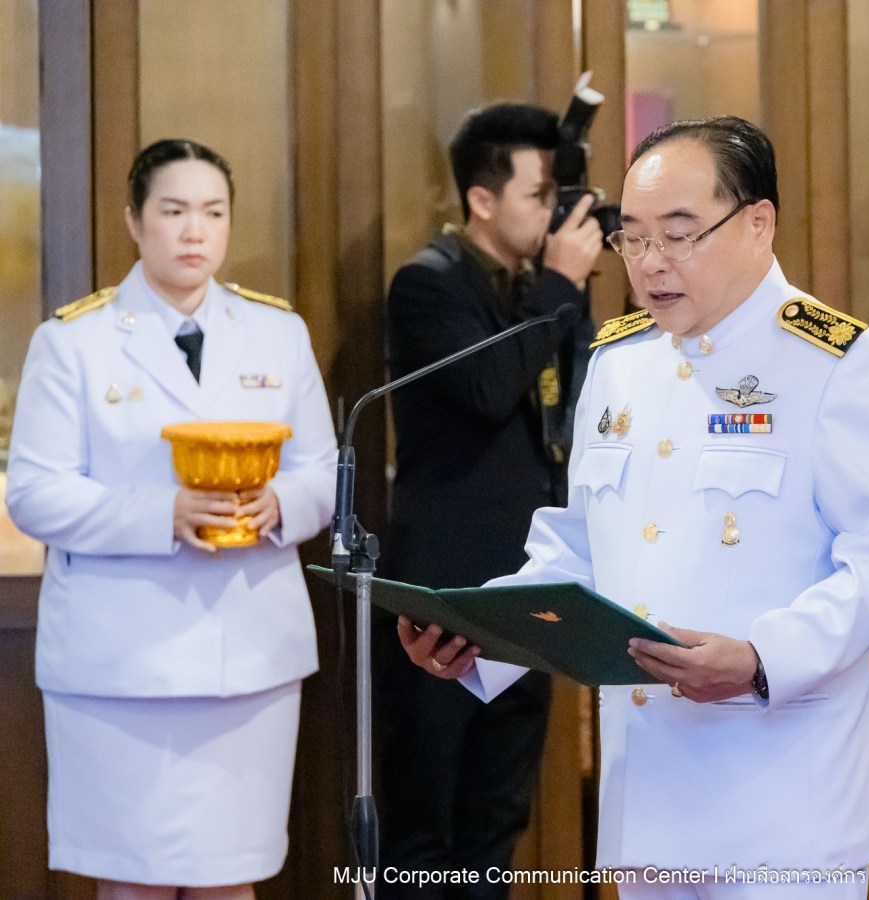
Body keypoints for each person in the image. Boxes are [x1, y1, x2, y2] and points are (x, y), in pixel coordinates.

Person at [399, 116, 869, 899]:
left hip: (787, 797)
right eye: (633, 238)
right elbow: (579, 549)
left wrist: (762, 659)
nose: (651, 264)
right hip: (649, 802)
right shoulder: (620, 362)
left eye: (680, 235)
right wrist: (479, 636)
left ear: (759, 224)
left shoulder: (843, 364)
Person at [5, 139, 337, 900]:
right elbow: (35, 493)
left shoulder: (275, 333)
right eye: (175, 211)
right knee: (134, 886)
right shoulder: (74, 341)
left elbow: (321, 472)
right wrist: (166, 514)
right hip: (121, 664)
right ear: (134, 220)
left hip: (248, 656)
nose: (195, 232)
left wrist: (280, 502)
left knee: (233, 879)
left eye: (213, 213)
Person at [372, 102, 603, 897]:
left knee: (495, 823)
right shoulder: (427, 285)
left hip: (527, 590)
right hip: (442, 596)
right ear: (481, 199)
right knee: (424, 828)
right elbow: (484, 388)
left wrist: (569, 294)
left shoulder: (539, 290)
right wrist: (562, 286)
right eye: (540, 196)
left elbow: (577, 401)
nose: (554, 215)